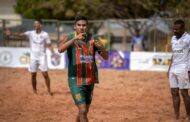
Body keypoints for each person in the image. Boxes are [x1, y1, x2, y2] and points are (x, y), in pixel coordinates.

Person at [58, 16, 108, 122]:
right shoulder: (69, 37)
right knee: (82, 109)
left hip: (90, 79)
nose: (81, 27)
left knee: (84, 111)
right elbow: (60, 49)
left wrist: (102, 48)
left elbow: (106, 56)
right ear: (75, 26)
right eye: (79, 25)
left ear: (87, 26)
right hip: (75, 79)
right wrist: (75, 39)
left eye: (84, 25)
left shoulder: (93, 38)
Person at [5, 19, 57, 96]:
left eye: (36, 24)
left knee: (45, 74)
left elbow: (49, 45)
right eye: (34, 24)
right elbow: (20, 35)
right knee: (33, 75)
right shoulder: (30, 33)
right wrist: (11, 33)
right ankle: (35, 91)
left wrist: (54, 54)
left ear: (40, 25)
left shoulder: (45, 34)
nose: (35, 25)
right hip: (33, 58)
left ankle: (49, 91)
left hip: (42, 57)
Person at [167, 19, 190, 120]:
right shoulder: (173, 38)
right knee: (174, 92)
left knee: (184, 93)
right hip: (173, 69)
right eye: (174, 29)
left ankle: (189, 115)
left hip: (183, 69)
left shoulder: (188, 38)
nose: (175, 31)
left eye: (177, 29)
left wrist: (189, 69)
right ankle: (176, 116)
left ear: (183, 29)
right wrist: (169, 68)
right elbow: (173, 54)